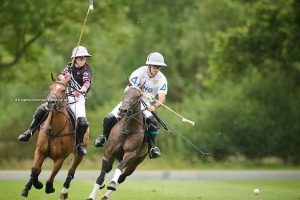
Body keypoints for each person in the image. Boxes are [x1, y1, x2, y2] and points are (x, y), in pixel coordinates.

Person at [18, 46, 93, 156]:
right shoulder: (69, 67)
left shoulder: (86, 69)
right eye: (80, 58)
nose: (83, 60)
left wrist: (81, 91)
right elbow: (60, 77)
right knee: (42, 109)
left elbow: (87, 83)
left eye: (84, 58)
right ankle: (29, 132)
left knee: (82, 121)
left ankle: (79, 145)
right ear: (75, 59)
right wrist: (63, 78)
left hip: (78, 98)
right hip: (65, 95)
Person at [94, 52, 168, 159]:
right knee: (109, 118)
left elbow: (162, 98)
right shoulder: (139, 72)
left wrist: (154, 106)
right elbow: (132, 89)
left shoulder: (162, 79)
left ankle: (152, 147)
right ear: (149, 66)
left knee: (153, 123)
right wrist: (143, 94)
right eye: (155, 67)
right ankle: (103, 137)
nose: (157, 69)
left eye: (159, 67)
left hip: (145, 104)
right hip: (131, 100)